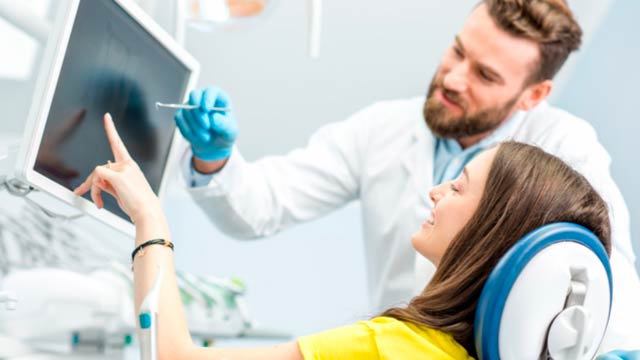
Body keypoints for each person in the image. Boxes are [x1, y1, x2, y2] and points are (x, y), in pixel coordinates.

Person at [174, 0, 640, 349]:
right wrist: (213, 157)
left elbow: (605, 287)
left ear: (533, 95)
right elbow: (261, 206)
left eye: (485, 75)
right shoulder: (384, 128)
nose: (454, 78)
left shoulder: (565, 149)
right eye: (456, 52)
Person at [75, 113, 612, 359]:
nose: (434, 193)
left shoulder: (389, 346)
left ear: (490, 234)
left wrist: (149, 217)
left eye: (459, 186)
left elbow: (173, 357)